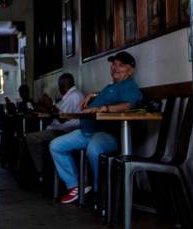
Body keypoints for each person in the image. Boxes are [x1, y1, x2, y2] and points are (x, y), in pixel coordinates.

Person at [50, 51, 142, 204]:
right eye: (113, 64)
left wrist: (103, 108)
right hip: (88, 131)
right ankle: (75, 186)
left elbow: (128, 104)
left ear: (130, 70)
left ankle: (101, 191)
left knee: (94, 149)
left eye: (121, 65)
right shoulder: (110, 87)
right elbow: (109, 95)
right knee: (56, 145)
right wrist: (93, 95)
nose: (115, 68)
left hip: (106, 133)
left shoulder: (129, 85)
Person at [24, 73, 83, 177]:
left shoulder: (74, 95)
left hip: (65, 131)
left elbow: (61, 118)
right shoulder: (70, 95)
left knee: (30, 137)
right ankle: (46, 169)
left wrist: (49, 105)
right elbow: (55, 110)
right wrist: (44, 105)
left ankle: (41, 171)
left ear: (62, 85)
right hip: (62, 129)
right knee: (37, 135)